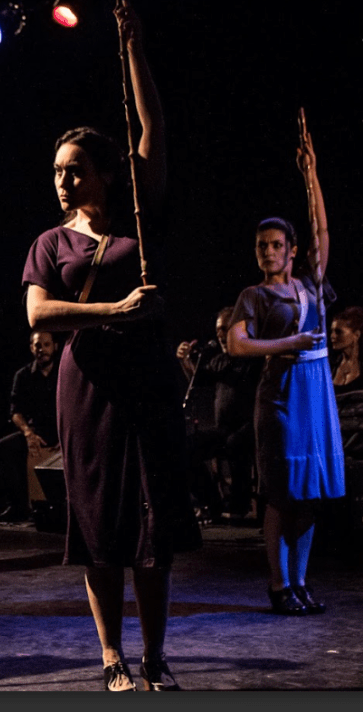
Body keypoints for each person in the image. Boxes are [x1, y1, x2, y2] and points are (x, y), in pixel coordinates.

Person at [21, 1, 198, 692]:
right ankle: (110, 656)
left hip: (146, 382)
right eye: (57, 171)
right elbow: (39, 313)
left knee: (151, 528)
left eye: (74, 169)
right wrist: (113, 309)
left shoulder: (138, 220)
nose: (64, 181)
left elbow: (154, 129)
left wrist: (132, 48)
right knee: (99, 527)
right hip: (87, 387)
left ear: (103, 169)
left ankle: (154, 656)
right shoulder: (50, 242)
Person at [228, 116, 345, 617]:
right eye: (262, 245)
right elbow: (236, 345)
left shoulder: (311, 284)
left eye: (277, 245)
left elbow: (322, 229)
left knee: (310, 494)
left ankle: (300, 581)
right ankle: (279, 585)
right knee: (282, 493)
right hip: (280, 396)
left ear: (292, 251)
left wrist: (310, 173)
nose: (269, 252)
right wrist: (287, 343)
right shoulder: (253, 295)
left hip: (316, 393)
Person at [175, 307, 262, 521]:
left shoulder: (253, 356)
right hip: (224, 428)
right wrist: (186, 361)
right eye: (217, 330)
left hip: (251, 427)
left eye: (224, 328)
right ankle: (212, 502)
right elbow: (197, 382)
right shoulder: (220, 359)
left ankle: (239, 505)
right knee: (187, 447)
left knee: (235, 443)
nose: (219, 334)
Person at [0, 330, 61, 524]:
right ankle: (17, 506)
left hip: (61, 433)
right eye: (38, 345)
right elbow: (15, 411)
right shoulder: (23, 375)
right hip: (35, 433)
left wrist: (66, 437)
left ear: (55, 346)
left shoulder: (63, 374)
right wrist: (29, 434)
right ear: (31, 348)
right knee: (3, 448)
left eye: (46, 345)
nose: (42, 350)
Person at [330, 306, 363, 395]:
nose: (332, 336)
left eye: (338, 332)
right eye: (332, 331)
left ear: (356, 335)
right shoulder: (331, 365)